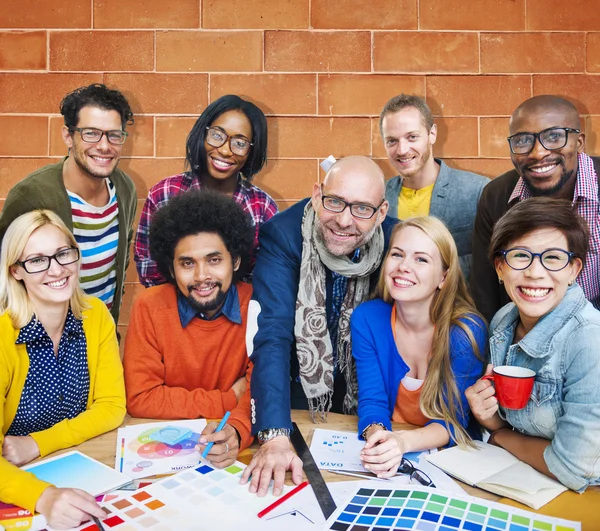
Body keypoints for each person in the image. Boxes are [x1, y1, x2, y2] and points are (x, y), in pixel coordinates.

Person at [240, 156, 396, 496]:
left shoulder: (397, 242)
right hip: (299, 394)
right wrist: (274, 434)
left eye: (361, 209)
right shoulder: (282, 235)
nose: (343, 220)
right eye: (335, 202)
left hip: (372, 396)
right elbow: (272, 335)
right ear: (316, 194)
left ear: (381, 213)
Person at [0, 210, 126, 529]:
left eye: (62, 254)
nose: (56, 269)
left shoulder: (95, 315)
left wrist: (38, 443)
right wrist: (43, 497)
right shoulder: (3, 336)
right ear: (16, 271)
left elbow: (112, 407)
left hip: (83, 467)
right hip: (18, 485)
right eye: (37, 260)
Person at [466, 198, 600, 492]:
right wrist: (486, 414)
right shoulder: (503, 321)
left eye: (552, 257)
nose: (535, 272)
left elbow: (573, 467)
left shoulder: (590, 340)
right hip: (520, 480)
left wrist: (500, 435)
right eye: (520, 256)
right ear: (500, 268)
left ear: (574, 269)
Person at [124, 190, 255, 469]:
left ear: (236, 261)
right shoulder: (149, 307)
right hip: (166, 452)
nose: (201, 276)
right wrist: (230, 398)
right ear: (171, 270)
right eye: (187, 263)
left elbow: (259, 394)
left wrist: (238, 428)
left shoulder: (257, 305)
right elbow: (140, 398)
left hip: (231, 452)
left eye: (214, 260)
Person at [351, 217, 486, 478]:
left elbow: (453, 420)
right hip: (397, 459)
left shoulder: (466, 331)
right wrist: (379, 440)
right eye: (397, 254)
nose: (403, 267)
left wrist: (401, 443)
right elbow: (372, 400)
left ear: (444, 277)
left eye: (421, 259)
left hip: (454, 463)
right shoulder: (367, 318)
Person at [0, 84, 137, 325]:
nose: (104, 146)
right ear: (68, 136)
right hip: (42, 342)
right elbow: (5, 274)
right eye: (91, 133)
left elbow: (120, 263)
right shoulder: (31, 196)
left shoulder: (125, 189)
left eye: (114, 134)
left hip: (100, 334)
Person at [471, 95, 600, 322]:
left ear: (579, 142)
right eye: (522, 141)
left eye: (554, 137)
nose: (538, 153)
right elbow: (485, 293)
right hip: (527, 337)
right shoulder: (496, 197)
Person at [134, 95, 277, 287]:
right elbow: (148, 269)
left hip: (237, 313)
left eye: (240, 143)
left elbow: (268, 278)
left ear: (253, 151)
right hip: (174, 311)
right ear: (202, 134)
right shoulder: (164, 194)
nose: (226, 151)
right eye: (217, 135)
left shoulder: (262, 207)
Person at [380, 94, 489, 282]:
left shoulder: (477, 190)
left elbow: (491, 262)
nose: (402, 150)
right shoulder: (380, 196)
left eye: (412, 137)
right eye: (392, 141)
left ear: (432, 134)